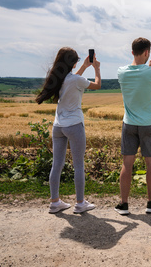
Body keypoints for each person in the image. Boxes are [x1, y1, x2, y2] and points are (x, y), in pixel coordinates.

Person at [35, 47, 101, 214]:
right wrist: (96, 68)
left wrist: (84, 66)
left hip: (58, 126)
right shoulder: (76, 80)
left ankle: (55, 202)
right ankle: (80, 203)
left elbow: (72, 78)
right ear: (73, 63)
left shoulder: (57, 78)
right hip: (74, 125)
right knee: (78, 165)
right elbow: (97, 85)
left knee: (56, 164)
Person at [114, 37, 151, 215]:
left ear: (132, 52)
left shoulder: (121, 72)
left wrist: (148, 68)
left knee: (127, 164)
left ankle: (123, 204)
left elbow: (138, 74)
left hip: (129, 123)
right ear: (147, 52)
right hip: (149, 124)